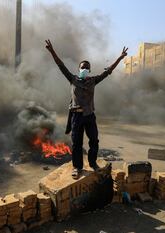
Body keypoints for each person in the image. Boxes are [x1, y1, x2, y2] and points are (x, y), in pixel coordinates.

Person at [45, 39, 128, 179]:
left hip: (89, 116)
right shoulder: (73, 79)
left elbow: (108, 71)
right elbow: (61, 65)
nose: (84, 69)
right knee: (77, 143)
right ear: (79, 69)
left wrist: (120, 57)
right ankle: (77, 167)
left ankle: (93, 163)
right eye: (82, 67)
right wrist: (52, 51)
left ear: (89, 70)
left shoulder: (93, 80)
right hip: (76, 117)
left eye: (86, 67)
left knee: (94, 140)